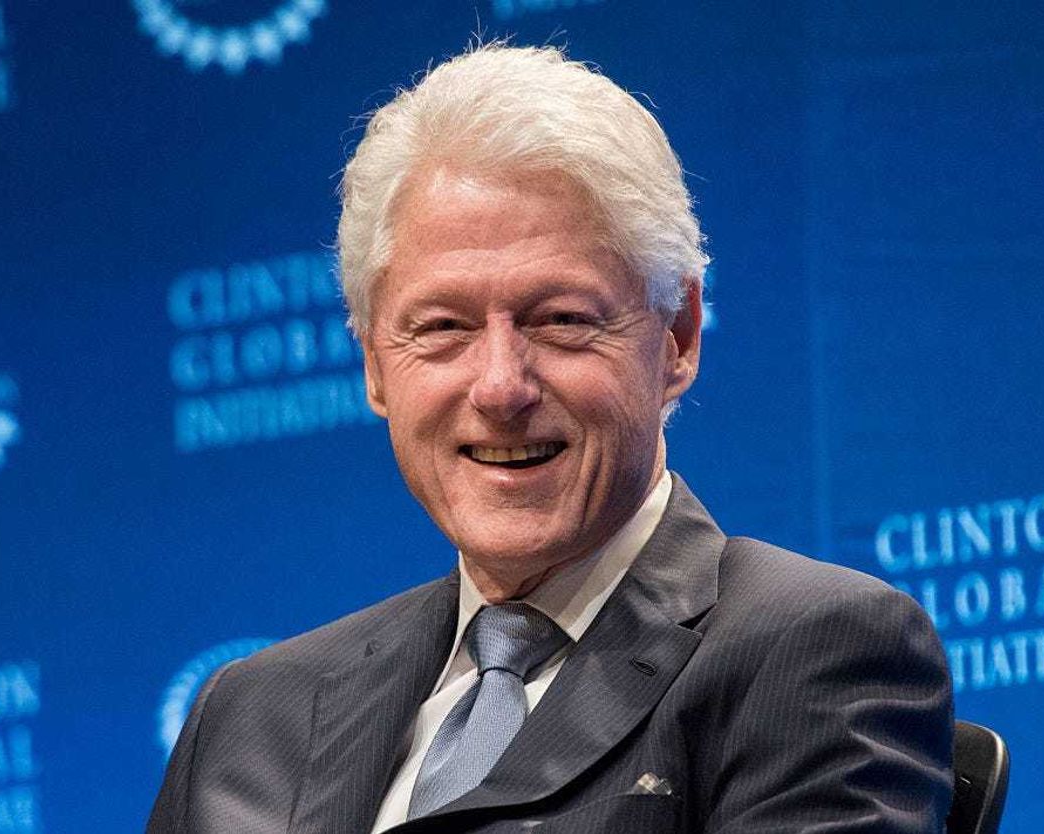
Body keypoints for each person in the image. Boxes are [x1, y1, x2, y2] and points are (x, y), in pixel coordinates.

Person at [147, 45, 953, 833]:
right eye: (442, 328)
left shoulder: (810, 652)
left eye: (561, 320)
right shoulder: (251, 715)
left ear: (677, 338)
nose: (500, 386)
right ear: (376, 369)